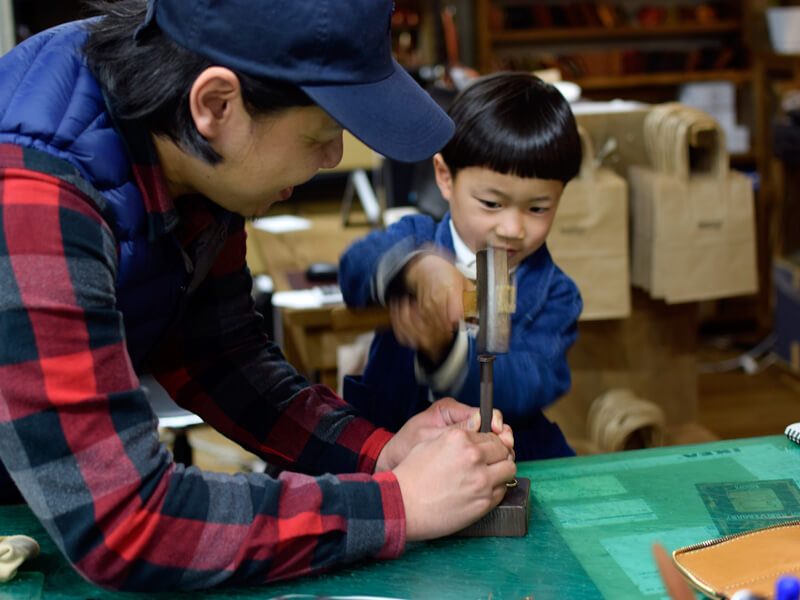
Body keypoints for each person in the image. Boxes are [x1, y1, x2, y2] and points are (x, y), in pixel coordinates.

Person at [0, 0, 517, 591]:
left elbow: (218, 356)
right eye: (322, 134)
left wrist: (380, 454)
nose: (334, 158)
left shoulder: (182, 131)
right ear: (217, 105)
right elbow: (126, 522)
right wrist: (394, 506)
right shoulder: (32, 196)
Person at [339, 72, 583, 461]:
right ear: (445, 177)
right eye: (491, 203)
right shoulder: (417, 236)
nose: (513, 229)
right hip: (397, 447)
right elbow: (354, 269)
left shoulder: (554, 292)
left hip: (507, 459)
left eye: (538, 208)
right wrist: (416, 268)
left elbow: (529, 381)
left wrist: (447, 351)